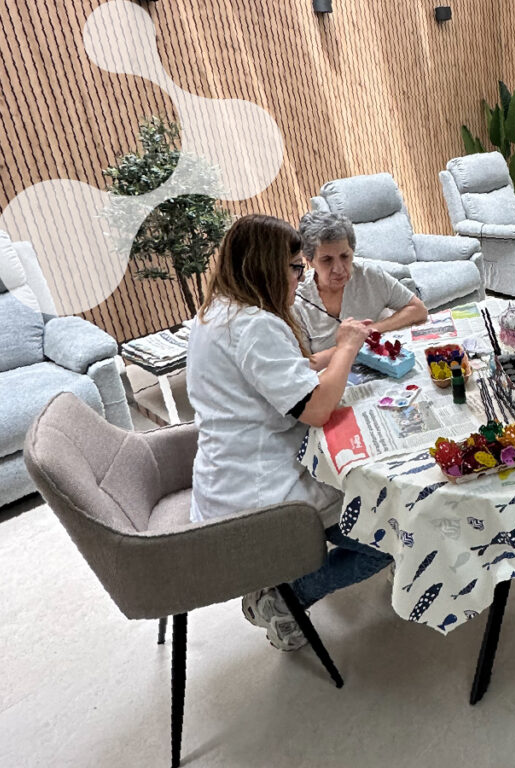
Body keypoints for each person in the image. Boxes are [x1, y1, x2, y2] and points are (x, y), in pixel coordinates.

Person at [187, 214, 391, 652]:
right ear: (265, 266)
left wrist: (329, 355)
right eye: (296, 268)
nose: (301, 278)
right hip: (262, 494)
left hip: (225, 475)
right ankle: (286, 598)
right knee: (389, 530)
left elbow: (273, 377)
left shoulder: (217, 312)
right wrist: (349, 349)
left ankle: (288, 585)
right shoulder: (255, 326)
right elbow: (317, 408)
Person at [293, 211, 428, 371]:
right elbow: (305, 365)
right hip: (334, 379)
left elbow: (418, 309)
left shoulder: (370, 275)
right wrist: (350, 345)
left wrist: (371, 330)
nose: (338, 269)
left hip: (384, 368)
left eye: (345, 256)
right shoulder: (296, 300)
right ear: (310, 261)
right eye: (327, 260)